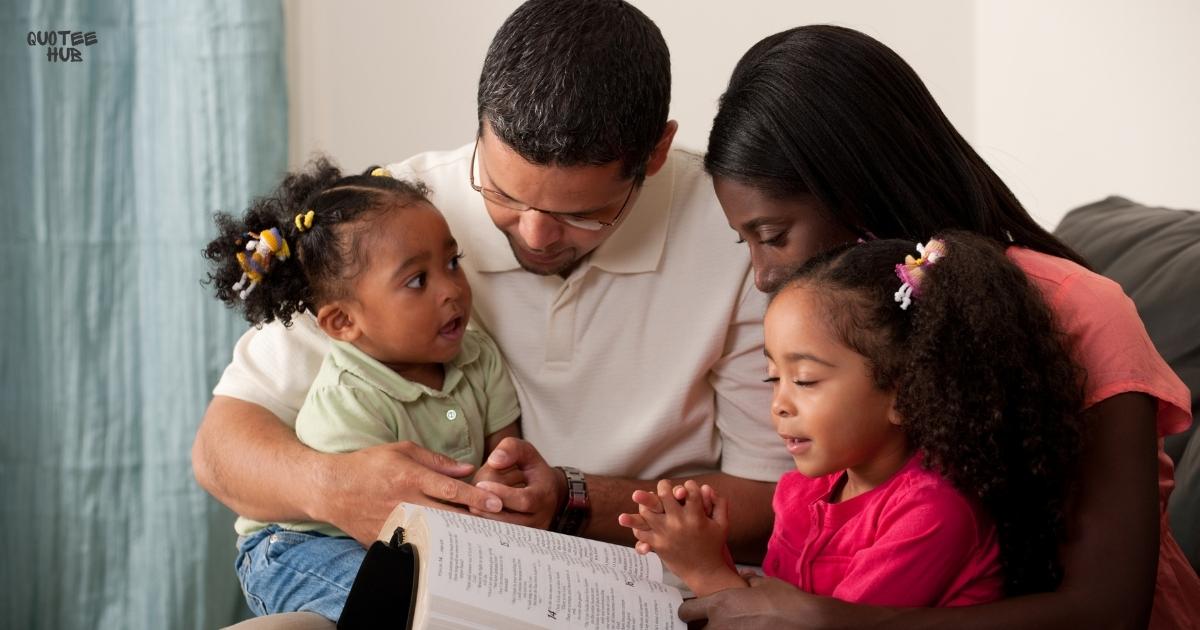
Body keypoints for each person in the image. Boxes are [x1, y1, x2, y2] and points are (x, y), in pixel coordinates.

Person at [192, 3, 789, 610]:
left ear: (656, 152)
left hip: (638, 591)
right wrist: (336, 487)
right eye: (502, 193)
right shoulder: (395, 222)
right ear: (480, 127)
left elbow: (771, 500)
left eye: (580, 214)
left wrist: (570, 500)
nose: (534, 235)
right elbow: (221, 449)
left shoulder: (734, 233)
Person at [680, 24, 1199, 629]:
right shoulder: (844, 331)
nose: (762, 274)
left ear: (854, 191)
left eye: (772, 237)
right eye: (745, 242)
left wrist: (827, 622)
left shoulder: (1081, 311)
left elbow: (1108, 610)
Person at [622, 232, 1090, 607]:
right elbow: (775, 607)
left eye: (804, 380)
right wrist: (707, 545)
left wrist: (706, 571)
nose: (780, 404)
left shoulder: (933, 514)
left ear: (906, 394)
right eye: (773, 378)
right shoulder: (802, 492)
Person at [202, 160, 521, 621]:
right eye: (417, 280)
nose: (451, 289)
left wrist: (499, 481)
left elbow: (506, 450)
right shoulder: (347, 397)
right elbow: (375, 520)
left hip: (404, 538)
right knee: (404, 601)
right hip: (299, 546)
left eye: (453, 262)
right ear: (344, 322)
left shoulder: (477, 353)